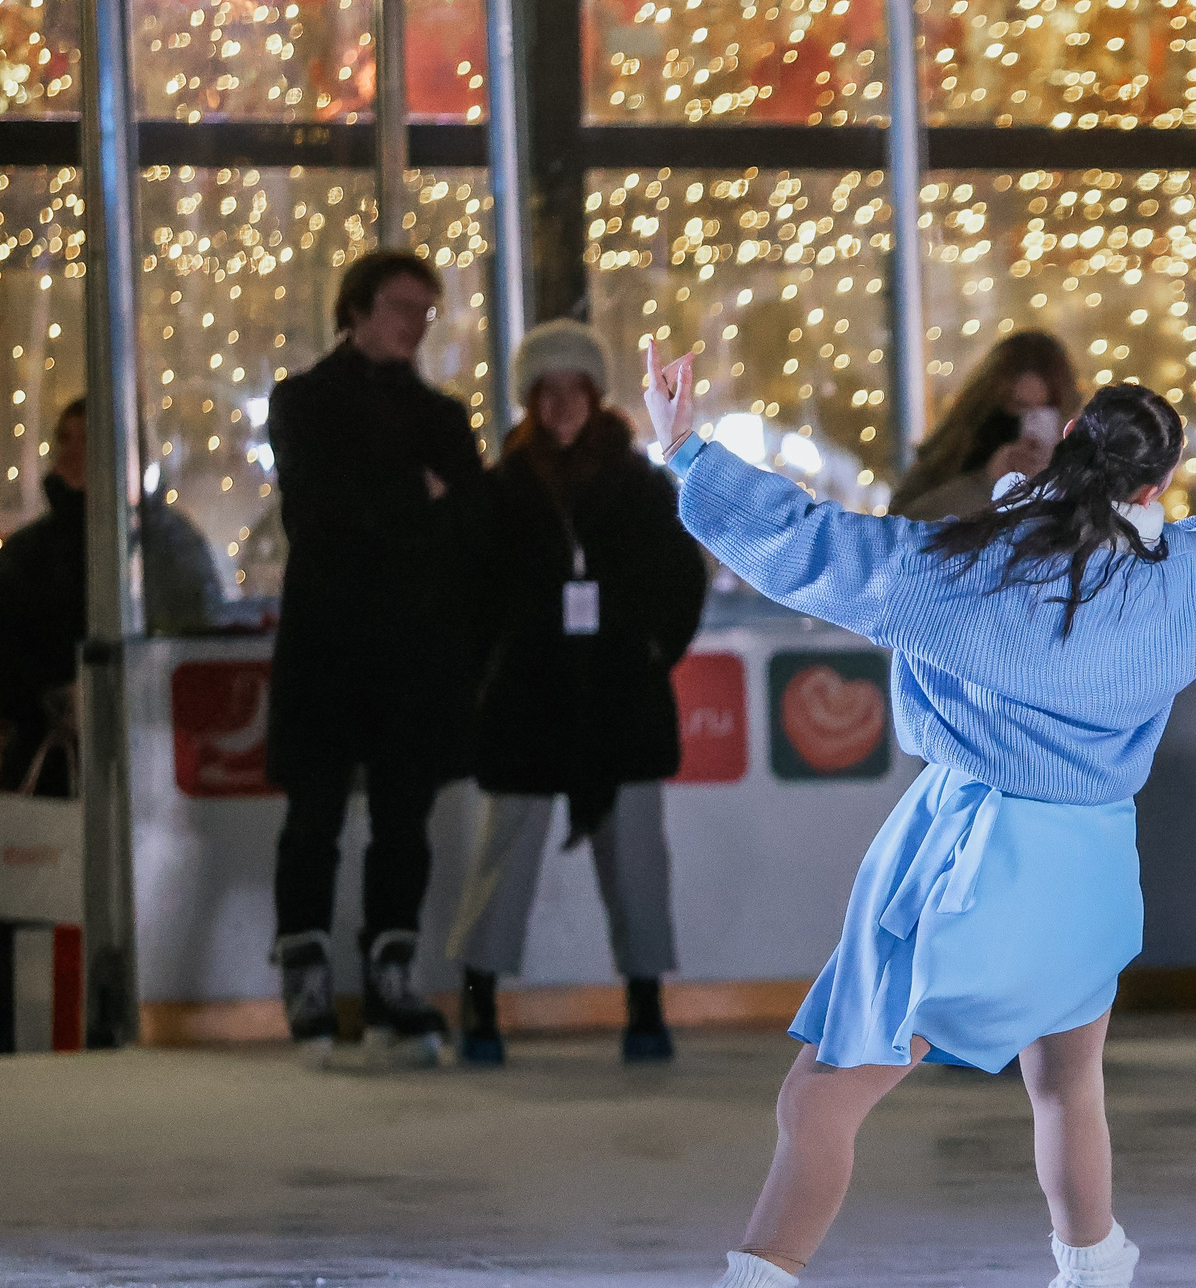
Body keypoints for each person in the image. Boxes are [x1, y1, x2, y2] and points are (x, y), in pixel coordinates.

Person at [594, 329, 1196, 1288]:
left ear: (1062, 456)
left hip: (978, 862)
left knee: (822, 1096)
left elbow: (818, 547)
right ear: (1158, 486)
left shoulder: (964, 573)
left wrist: (687, 454)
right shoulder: (1193, 577)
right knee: (1065, 1083)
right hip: (1094, 864)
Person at [445, 320, 709, 1068]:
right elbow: (470, 593)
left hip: (620, 700)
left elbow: (680, 582)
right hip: (526, 702)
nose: (562, 405)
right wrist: (488, 669)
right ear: (530, 400)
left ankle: (645, 1006)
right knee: (504, 860)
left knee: (635, 865)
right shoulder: (500, 491)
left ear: (595, 396)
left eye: (575, 389)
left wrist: (651, 651)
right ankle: (479, 1007)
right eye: (546, 391)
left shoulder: (640, 485)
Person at [265, 249, 489, 1063]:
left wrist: (395, 502)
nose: (415, 324)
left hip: (413, 653)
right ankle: (308, 972)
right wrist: (412, 496)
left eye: (426, 311)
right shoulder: (302, 400)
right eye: (402, 306)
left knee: (404, 821)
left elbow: (466, 519)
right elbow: (319, 516)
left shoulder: (440, 413)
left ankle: (391, 974)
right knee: (314, 816)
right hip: (328, 648)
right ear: (356, 308)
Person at [0, 398, 227, 796]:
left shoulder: (168, 543)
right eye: (65, 440)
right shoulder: (29, 552)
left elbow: (198, 638)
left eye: (87, 441)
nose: (71, 453)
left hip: (156, 760)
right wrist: (49, 699)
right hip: (51, 764)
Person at [888, 332, 1080, 521]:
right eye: (1020, 407)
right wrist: (987, 483)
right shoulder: (954, 454)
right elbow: (903, 528)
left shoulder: (1079, 468)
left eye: (1047, 413)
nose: (1032, 424)